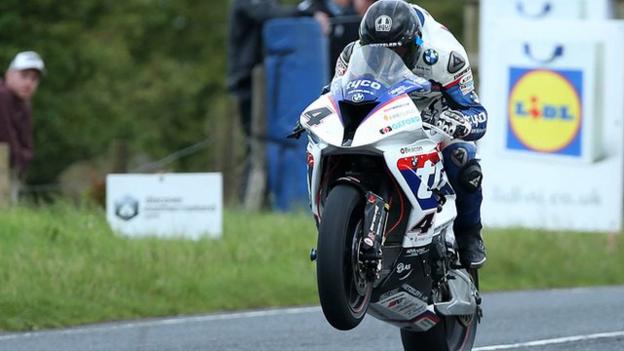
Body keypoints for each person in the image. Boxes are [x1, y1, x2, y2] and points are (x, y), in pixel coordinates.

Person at [333, 0, 487, 268]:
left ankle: (469, 233)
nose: (387, 59)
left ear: (416, 43)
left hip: (434, 112)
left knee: (463, 158)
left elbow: (477, 112)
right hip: (382, 110)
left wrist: (461, 122)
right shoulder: (351, 55)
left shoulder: (445, 56)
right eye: (376, 53)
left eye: (399, 51)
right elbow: (333, 92)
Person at [0, 51, 45, 203]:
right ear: (9, 75)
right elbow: (6, 135)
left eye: (34, 78)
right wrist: (21, 159)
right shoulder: (3, 97)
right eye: (24, 76)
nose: (29, 83)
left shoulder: (23, 104)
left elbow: (25, 139)